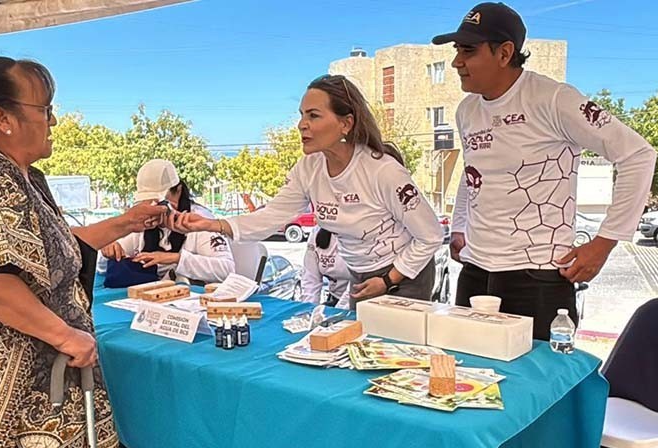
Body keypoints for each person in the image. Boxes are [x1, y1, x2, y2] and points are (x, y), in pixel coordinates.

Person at [0, 57, 165, 448]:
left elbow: (50, 250)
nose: (53, 121)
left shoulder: (20, 174)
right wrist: (67, 336)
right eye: (45, 109)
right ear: (2, 117)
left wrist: (128, 223)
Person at [432, 2, 657, 339]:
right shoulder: (467, 110)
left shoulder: (554, 99)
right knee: (469, 378)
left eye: (468, 50)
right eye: (456, 50)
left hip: (537, 277)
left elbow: (638, 155)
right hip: (476, 272)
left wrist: (603, 243)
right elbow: (472, 171)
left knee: (537, 385)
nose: (457, 62)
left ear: (505, 52)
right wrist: (460, 225)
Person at [166, 75, 443, 308]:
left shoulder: (383, 171)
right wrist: (211, 225)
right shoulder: (308, 168)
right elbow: (272, 216)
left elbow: (431, 236)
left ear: (345, 123)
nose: (302, 125)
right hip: (361, 277)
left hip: (405, 277)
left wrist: (388, 279)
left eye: (313, 115)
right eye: (301, 115)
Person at [101, 159, 235, 285]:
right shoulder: (142, 221)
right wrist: (107, 251)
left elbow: (227, 270)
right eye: (148, 202)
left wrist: (176, 258)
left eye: (160, 202)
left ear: (178, 191)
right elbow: (102, 268)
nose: (154, 208)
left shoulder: (199, 220)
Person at [300, 227, 352, 308]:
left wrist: (339, 312)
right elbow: (310, 279)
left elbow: (358, 282)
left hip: (363, 301)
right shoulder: (316, 233)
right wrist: (309, 310)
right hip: (335, 298)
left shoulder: (364, 233)